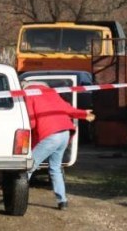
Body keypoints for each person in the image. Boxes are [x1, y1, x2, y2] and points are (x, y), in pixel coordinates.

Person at [24, 81, 95, 210]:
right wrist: (84, 114)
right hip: (65, 133)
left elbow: (32, 120)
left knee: (27, 167)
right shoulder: (51, 92)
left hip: (50, 134)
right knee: (55, 168)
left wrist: (29, 132)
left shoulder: (28, 94)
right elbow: (67, 109)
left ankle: (14, 197)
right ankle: (63, 201)